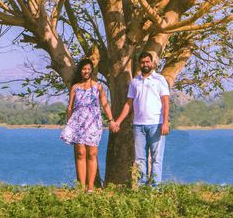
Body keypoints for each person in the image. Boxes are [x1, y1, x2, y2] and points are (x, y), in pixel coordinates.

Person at [110, 51, 170, 186]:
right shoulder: (134, 82)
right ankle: (142, 188)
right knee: (140, 159)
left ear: (152, 63)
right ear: (139, 64)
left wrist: (165, 122)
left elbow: (166, 102)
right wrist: (118, 121)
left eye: (147, 62)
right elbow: (128, 104)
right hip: (138, 126)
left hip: (157, 124)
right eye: (142, 62)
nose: (145, 64)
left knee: (156, 159)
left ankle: (155, 189)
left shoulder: (160, 80)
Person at [60, 58, 114, 191]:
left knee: (92, 154)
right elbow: (70, 107)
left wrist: (111, 120)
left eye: (89, 69)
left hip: (94, 123)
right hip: (78, 123)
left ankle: (90, 187)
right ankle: (81, 186)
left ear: (91, 71)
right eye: (84, 69)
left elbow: (105, 105)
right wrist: (69, 125)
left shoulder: (98, 87)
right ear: (81, 70)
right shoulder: (75, 87)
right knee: (80, 153)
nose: (86, 71)